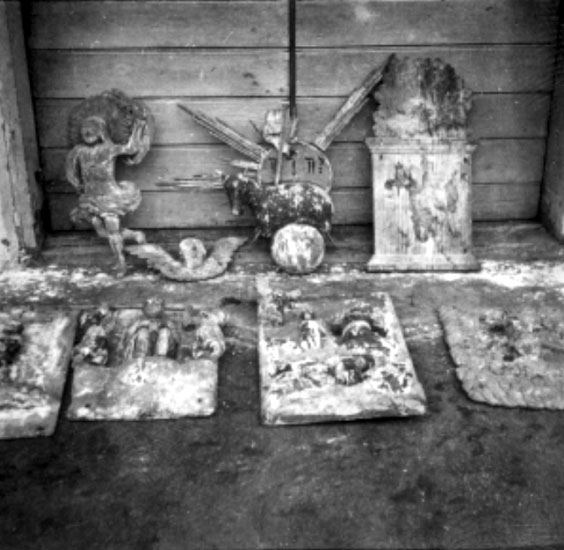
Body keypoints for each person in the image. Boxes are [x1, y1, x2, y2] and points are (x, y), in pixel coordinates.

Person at [65, 116, 147, 274]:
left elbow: (131, 148)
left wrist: (138, 128)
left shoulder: (108, 149)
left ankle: (121, 264)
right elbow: (71, 173)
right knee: (101, 231)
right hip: (91, 198)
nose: (87, 132)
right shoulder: (78, 151)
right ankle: (135, 235)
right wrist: (78, 186)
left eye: (92, 128)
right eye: (84, 128)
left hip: (110, 198)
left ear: (101, 131)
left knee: (112, 232)